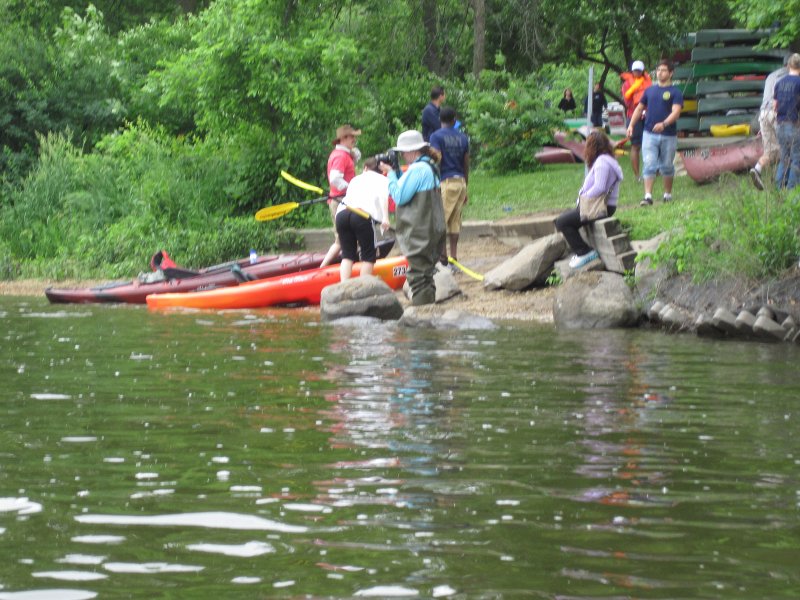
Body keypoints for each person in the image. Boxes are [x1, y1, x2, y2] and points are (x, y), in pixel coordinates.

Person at [379, 130, 446, 306]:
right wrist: (397, 173)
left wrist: (391, 175)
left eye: (402, 152)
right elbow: (410, 187)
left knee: (417, 275)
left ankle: (421, 317)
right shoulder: (430, 166)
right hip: (433, 228)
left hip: (420, 231)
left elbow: (400, 196)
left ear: (412, 151)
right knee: (426, 273)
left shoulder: (418, 169)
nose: (401, 155)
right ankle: (428, 312)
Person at [555, 130, 623, 269]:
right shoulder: (606, 160)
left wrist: (584, 196)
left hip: (601, 207)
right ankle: (581, 250)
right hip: (602, 206)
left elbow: (600, 187)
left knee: (562, 222)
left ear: (592, 146)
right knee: (565, 218)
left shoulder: (602, 163)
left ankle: (584, 252)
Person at [627, 59, 683, 206]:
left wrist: (664, 124)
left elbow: (676, 112)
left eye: (663, 70)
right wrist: (631, 125)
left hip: (668, 135)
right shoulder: (649, 90)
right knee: (649, 163)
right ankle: (648, 196)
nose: (660, 73)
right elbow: (639, 109)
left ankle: (667, 194)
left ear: (671, 73)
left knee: (667, 166)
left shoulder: (675, 92)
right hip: (649, 134)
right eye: (658, 70)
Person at [335, 158, 391, 281]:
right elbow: (383, 198)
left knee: (347, 255)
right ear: (382, 170)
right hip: (361, 215)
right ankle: (363, 286)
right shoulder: (383, 179)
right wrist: (385, 218)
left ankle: (344, 285)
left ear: (365, 167)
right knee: (369, 256)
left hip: (342, 215)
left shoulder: (355, 179)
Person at [429, 106, 469, 265]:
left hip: (446, 181)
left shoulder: (436, 137)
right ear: (454, 120)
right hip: (460, 182)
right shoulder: (463, 137)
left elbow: (436, 159)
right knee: (454, 222)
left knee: (441, 222)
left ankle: (443, 258)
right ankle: (454, 257)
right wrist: (466, 185)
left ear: (440, 120)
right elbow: (467, 163)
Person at [320, 124, 361, 267]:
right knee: (342, 239)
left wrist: (353, 153)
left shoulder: (343, 154)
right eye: (352, 137)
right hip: (340, 201)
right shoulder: (340, 156)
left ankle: (350, 264)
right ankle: (322, 268)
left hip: (342, 200)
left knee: (347, 238)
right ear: (343, 139)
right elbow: (335, 179)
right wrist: (352, 188)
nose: (354, 139)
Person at [750, 56, 789, 190]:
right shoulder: (788, 75)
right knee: (788, 148)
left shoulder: (771, 75)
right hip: (776, 113)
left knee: (771, 151)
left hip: (763, 114)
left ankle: (757, 169)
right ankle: (782, 182)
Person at [620, 60, 652, 181]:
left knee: (650, 144)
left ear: (643, 70)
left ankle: (651, 172)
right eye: (635, 70)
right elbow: (627, 102)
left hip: (648, 115)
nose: (637, 72)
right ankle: (637, 175)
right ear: (632, 71)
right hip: (633, 116)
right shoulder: (627, 85)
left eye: (639, 70)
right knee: (636, 145)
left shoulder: (648, 82)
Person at [772, 53, 800, 190]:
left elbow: (774, 106)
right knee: (796, 158)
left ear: (789, 65)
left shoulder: (779, 82)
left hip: (779, 125)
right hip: (793, 125)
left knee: (784, 158)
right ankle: (791, 191)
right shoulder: (799, 83)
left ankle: (778, 188)